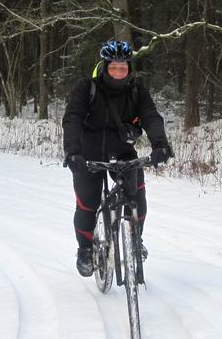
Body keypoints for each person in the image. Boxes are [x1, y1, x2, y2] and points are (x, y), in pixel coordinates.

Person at [62, 39, 173, 277]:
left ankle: (135, 237)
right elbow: (72, 118)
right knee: (87, 203)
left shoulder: (136, 91)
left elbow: (151, 117)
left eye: (123, 68)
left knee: (137, 193)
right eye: (114, 67)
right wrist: (72, 152)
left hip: (122, 153)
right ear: (105, 67)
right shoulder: (87, 88)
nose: (118, 72)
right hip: (88, 154)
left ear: (129, 69)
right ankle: (84, 249)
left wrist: (160, 145)